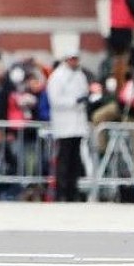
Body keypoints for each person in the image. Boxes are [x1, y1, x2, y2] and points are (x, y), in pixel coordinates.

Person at [46, 48, 90, 202]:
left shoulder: (80, 75)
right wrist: (73, 102)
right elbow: (55, 100)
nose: (74, 62)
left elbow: (84, 94)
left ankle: (72, 191)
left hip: (78, 124)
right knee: (63, 159)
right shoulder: (57, 76)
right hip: (64, 125)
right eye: (72, 59)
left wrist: (83, 101)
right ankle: (61, 192)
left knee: (75, 160)